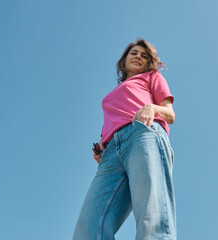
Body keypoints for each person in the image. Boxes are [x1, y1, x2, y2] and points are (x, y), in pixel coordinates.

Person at [73, 39, 176, 240]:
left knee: (152, 215)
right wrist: (101, 148)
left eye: (144, 56)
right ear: (124, 61)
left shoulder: (152, 77)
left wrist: (152, 108)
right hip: (112, 153)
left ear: (149, 63)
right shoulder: (113, 94)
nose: (138, 56)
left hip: (143, 134)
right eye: (134, 53)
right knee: (89, 228)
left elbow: (170, 115)